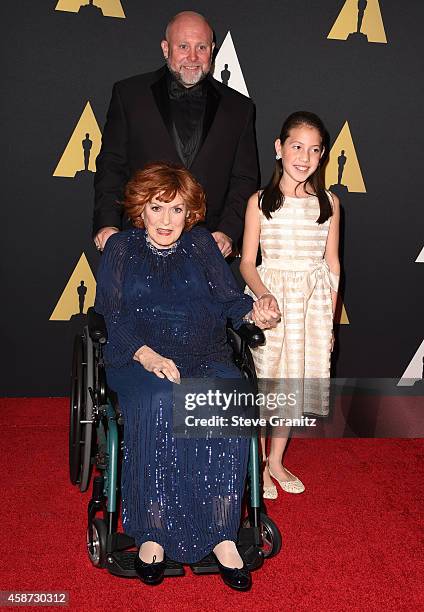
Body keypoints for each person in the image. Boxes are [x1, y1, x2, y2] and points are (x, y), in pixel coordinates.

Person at [94, 162, 276, 590]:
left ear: (189, 213)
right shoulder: (121, 247)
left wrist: (255, 311)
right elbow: (112, 316)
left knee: (227, 398)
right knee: (162, 400)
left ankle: (222, 533)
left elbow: (230, 300)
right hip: (138, 359)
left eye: (177, 210)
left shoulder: (200, 245)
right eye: (157, 208)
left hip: (205, 354)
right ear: (142, 209)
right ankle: (152, 533)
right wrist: (147, 355)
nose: (166, 220)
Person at [93, 11, 259, 259]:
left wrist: (227, 232)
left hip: (207, 249)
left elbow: (244, 179)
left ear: (212, 50)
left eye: (201, 47)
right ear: (165, 48)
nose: (192, 57)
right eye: (183, 46)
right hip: (138, 243)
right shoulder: (129, 95)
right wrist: (108, 224)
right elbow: (111, 165)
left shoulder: (240, 108)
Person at [240, 111, 340, 499]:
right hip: (272, 304)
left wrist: (330, 322)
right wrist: (264, 295)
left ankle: (276, 461)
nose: (305, 156)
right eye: (297, 146)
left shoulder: (329, 203)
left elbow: (332, 265)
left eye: (314, 150)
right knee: (268, 387)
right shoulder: (260, 201)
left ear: (323, 156)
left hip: (312, 309)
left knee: (292, 388)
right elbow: (248, 262)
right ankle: (258, 465)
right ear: (279, 148)